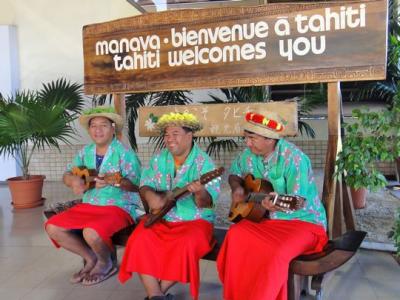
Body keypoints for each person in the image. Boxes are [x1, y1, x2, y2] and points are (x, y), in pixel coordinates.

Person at [217, 111, 328, 300]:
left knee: (276, 252)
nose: (247, 143)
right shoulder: (248, 155)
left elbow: (298, 201)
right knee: (235, 235)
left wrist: (278, 204)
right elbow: (234, 173)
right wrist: (237, 188)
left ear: (270, 139)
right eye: (246, 137)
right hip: (265, 219)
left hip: (302, 222)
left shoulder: (295, 159)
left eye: (252, 138)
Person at [118, 112, 221, 300]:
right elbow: (145, 183)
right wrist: (151, 197)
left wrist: (199, 191)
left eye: (175, 133)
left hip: (194, 221)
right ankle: (157, 295)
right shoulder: (159, 159)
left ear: (189, 136)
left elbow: (207, 203)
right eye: (166, 135)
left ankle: (156, 294)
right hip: (162, 217)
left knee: (185, 246)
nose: (169, 139)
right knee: (140, 239)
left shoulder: (205, 163)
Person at [45, 106, 142, 286]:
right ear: (89, 130)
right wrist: (74, 181)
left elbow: (138, 186)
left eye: (103, 125)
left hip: (119, 206)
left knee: (91, 232)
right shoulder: (85, 152)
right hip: (89, 204)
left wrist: (116, 180)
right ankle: (90, 259)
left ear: (113, 128)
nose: (98, 130)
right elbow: (67, 174)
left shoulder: (125, 153)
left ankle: (107, 263)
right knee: (52, 227)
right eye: (93, 126)